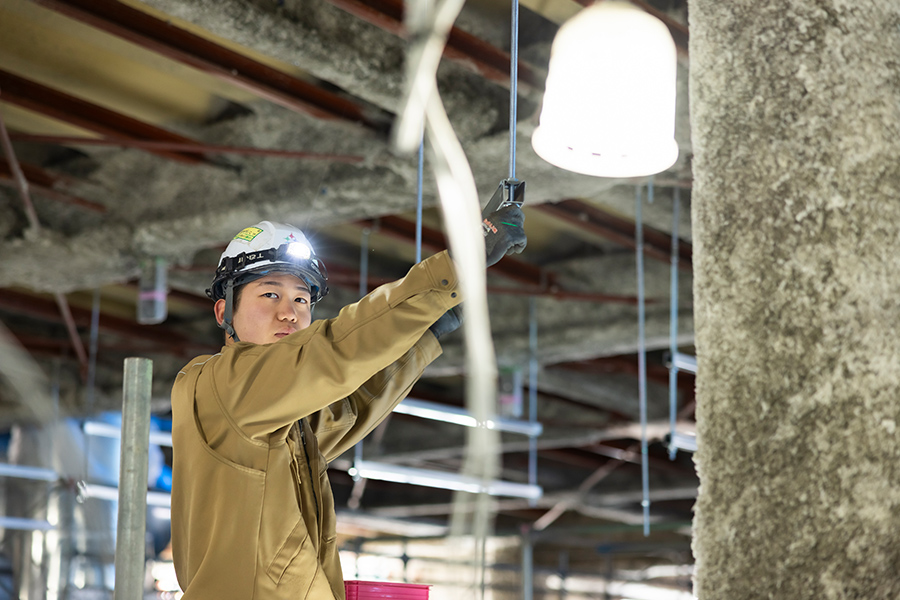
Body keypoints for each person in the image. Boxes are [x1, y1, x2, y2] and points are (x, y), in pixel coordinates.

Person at [170, 207, 526, 599]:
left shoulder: (283, 425)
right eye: (270, 293)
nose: (289, 313)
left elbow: (353, 406)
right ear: (225, 312)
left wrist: (425, 334)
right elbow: (336, 351)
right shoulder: (217, 386)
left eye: (302, 300)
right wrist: (455, 266)